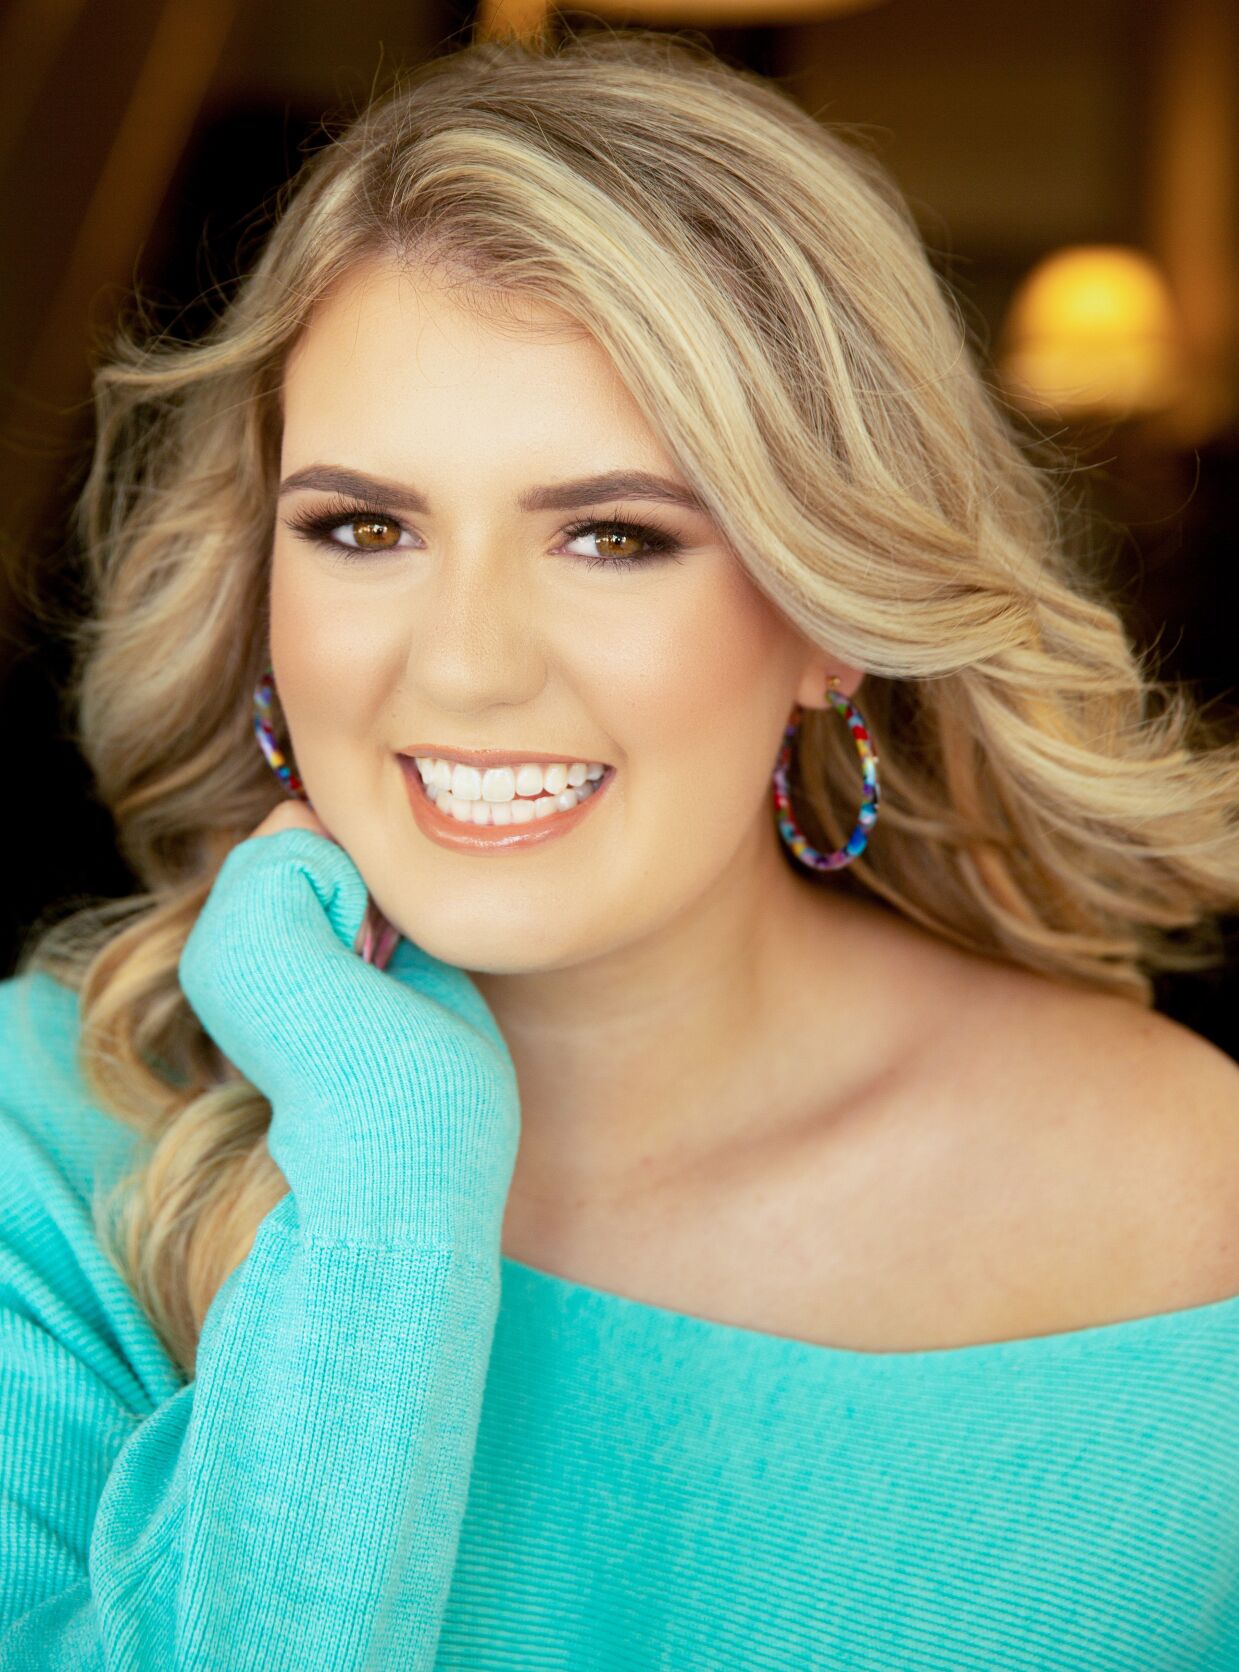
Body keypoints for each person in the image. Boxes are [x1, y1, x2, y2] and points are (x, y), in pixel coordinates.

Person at [3, 24, 1239, 1670]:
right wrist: (388, 1179)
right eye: (364, 528)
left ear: (833, 616)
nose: (464, 666)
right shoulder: (49, 1147)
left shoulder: (1187, 1200)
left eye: (612, 536)